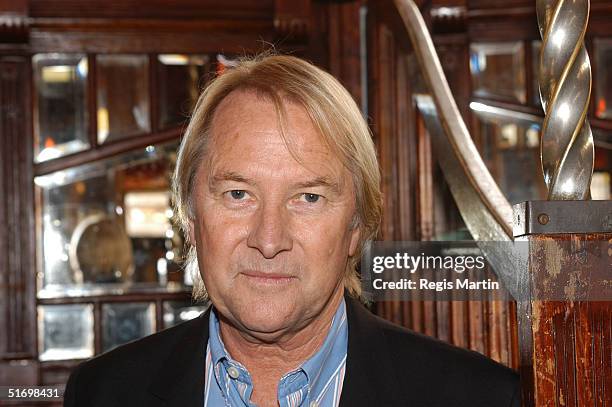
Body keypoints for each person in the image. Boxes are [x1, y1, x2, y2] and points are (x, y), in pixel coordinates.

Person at [63, 54, 520, 407]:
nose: (268, 239)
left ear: (357, 227)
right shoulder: (103, 392)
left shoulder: (481, 398)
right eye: (238, 194)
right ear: (190, 215)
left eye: (309, 198)